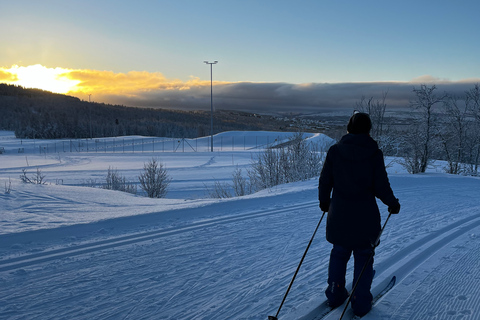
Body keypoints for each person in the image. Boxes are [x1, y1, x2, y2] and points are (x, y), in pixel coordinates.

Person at [318, 111, 400, 317]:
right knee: (363, 256)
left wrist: (324, 202)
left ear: (349, 128)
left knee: (339, 253)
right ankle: (360, 302)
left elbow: (325, 180)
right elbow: (381, 186)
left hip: (339, 215)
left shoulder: (335, 151)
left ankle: (335, 293)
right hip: (365, 218)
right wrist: (393, 203)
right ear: (368, 130)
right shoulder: (374, 153)